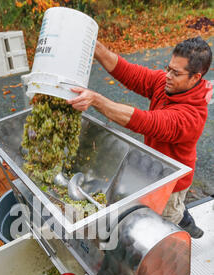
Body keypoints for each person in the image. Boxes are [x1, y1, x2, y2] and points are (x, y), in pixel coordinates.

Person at [67, 36, 213, 238]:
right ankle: (184, 217)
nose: (167, 76)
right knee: (170, 208)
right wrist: (96, 47)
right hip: (155, 167)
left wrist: (97, 100)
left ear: (195, 77)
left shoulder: (191, 117)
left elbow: (144, 121)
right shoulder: (168, 83)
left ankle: (186, 229)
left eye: (176, 73)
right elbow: (128, 72)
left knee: (168, 217)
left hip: (172, 182)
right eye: (168, 68)